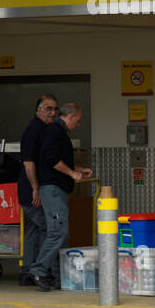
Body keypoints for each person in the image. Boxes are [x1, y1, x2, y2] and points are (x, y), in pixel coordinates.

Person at [33, 102, 93, 291]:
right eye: (79, 120)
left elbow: (60, 162)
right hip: (52, 190)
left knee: (61, 235)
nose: (79, 124)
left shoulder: (60, 134)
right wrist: (72, 174)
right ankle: (39, 270)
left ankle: (59, 278)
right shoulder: (54, 132)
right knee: (58, 232)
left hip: (58, 189)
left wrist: (78, 170)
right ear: (71, 117)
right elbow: (51, 160)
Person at [18, 94, 59, 286]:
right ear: (39, 110)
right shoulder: (34, 131)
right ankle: (40, 270)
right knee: (50, 228)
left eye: (55, 109)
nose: (52, 112)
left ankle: (27, 271)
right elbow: (28, 163)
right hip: (32, 191)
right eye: (48, 108)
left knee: (34, 230)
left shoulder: (45, 130)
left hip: (35, 190)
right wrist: (35, 188)